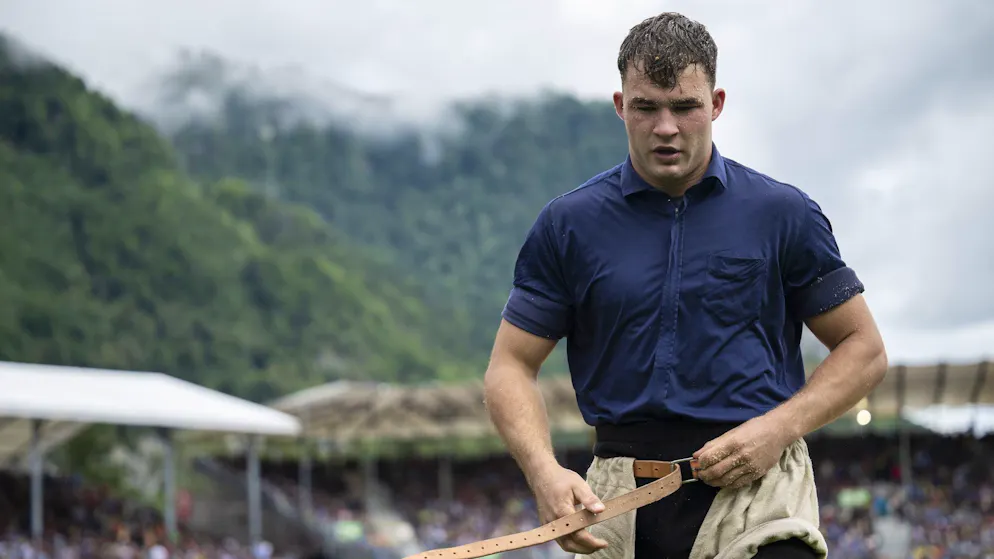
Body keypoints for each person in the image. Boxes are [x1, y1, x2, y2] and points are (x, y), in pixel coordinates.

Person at [482, 11, 888, 559]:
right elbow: (510, 365)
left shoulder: (783, 213)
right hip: (618, 499)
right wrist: (544, 471)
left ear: (715, 104)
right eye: (646, 107)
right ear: (622, 106)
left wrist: (778, 429)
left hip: (760, 490)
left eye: (685, 107)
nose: (666, 127)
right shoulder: (567, 225)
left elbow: (864, 349)